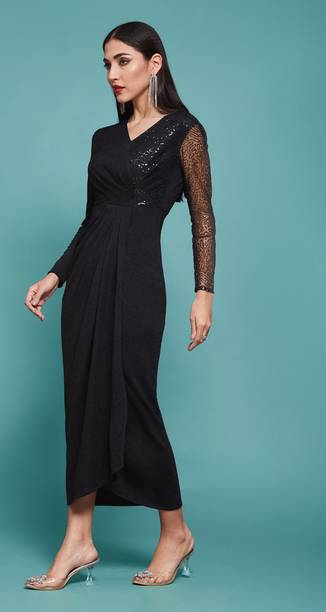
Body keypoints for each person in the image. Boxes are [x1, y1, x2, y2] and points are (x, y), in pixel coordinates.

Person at [23, 21, 216, 589]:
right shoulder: (103, 140)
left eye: (123, 61)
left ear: (155, 64)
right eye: (106, 64)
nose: (112, 73)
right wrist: (57, 274)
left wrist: (203, 292)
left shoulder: (184, 131)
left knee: (135, 400)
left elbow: (202, 217)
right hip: (87, 286)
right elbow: (93, 221)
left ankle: (175, 532)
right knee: (83, 400)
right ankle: (78, 539)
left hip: (136, 283)